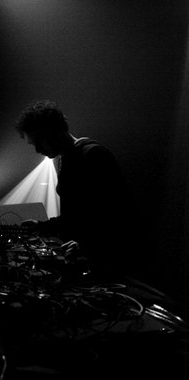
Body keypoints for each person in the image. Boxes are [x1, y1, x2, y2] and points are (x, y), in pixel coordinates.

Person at [14, 100, 136, 277]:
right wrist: (41, 226)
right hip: (82, 258)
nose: (37, 150)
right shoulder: (64, 160)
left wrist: (86, 244)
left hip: (103, 262)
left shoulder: (94, 155)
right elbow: (76, 216)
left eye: (39, 141)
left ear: (53, 131)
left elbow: (119, 214)